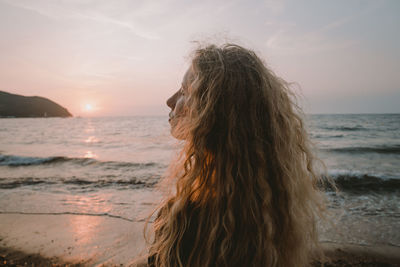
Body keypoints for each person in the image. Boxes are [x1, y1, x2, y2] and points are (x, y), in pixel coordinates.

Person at [146, 44, 327, 267]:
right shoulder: (272, 215)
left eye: (184, 91)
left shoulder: (183, 218)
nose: (170, 100)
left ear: (211, 113)